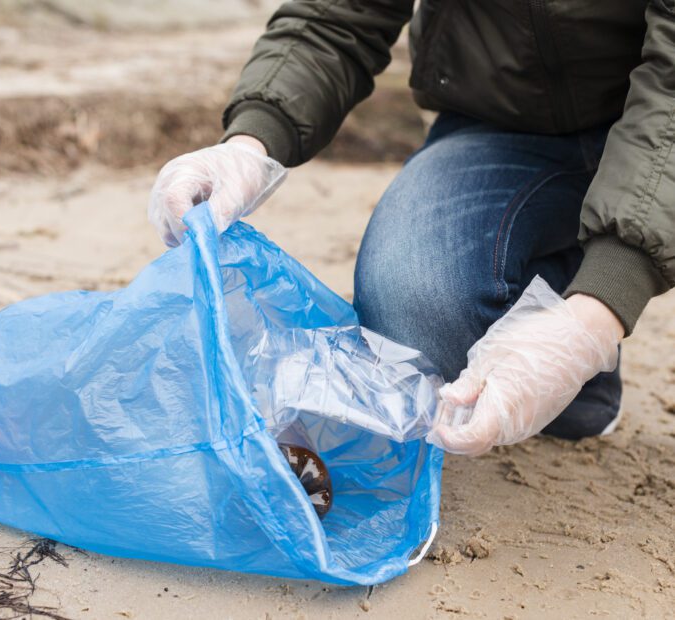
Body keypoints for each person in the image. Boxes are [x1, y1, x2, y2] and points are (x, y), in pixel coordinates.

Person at [147, 1, 675, 456]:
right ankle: (558, 314)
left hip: (653, 127)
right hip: (501, 126)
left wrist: (597, 315)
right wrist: (248, 146)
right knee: (412, 312)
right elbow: (338, 17)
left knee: (541, 351)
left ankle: (583, 326)